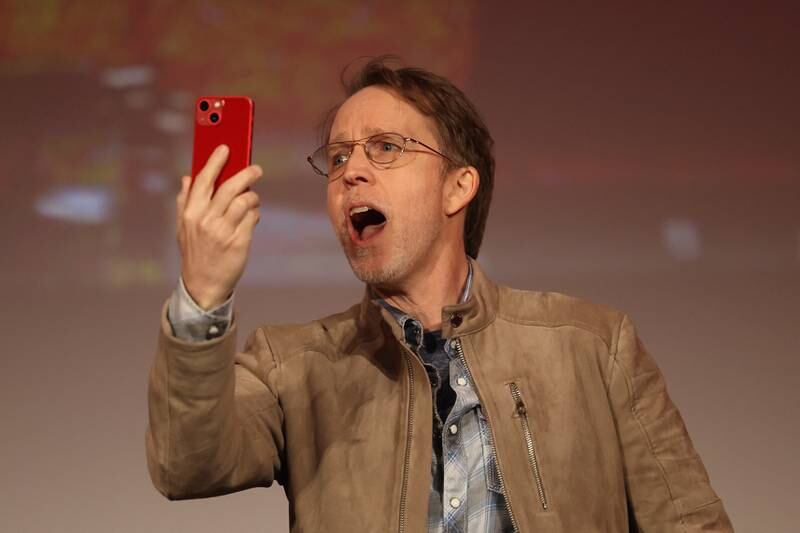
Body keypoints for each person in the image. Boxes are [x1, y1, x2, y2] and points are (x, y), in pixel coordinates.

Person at [145, 57, 733, 532]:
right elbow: (186, 465)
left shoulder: (592, 346)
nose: (351, 172)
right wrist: (202, 293)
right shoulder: (292, 366)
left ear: (458, 186)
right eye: (340, 156)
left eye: (386, 149)